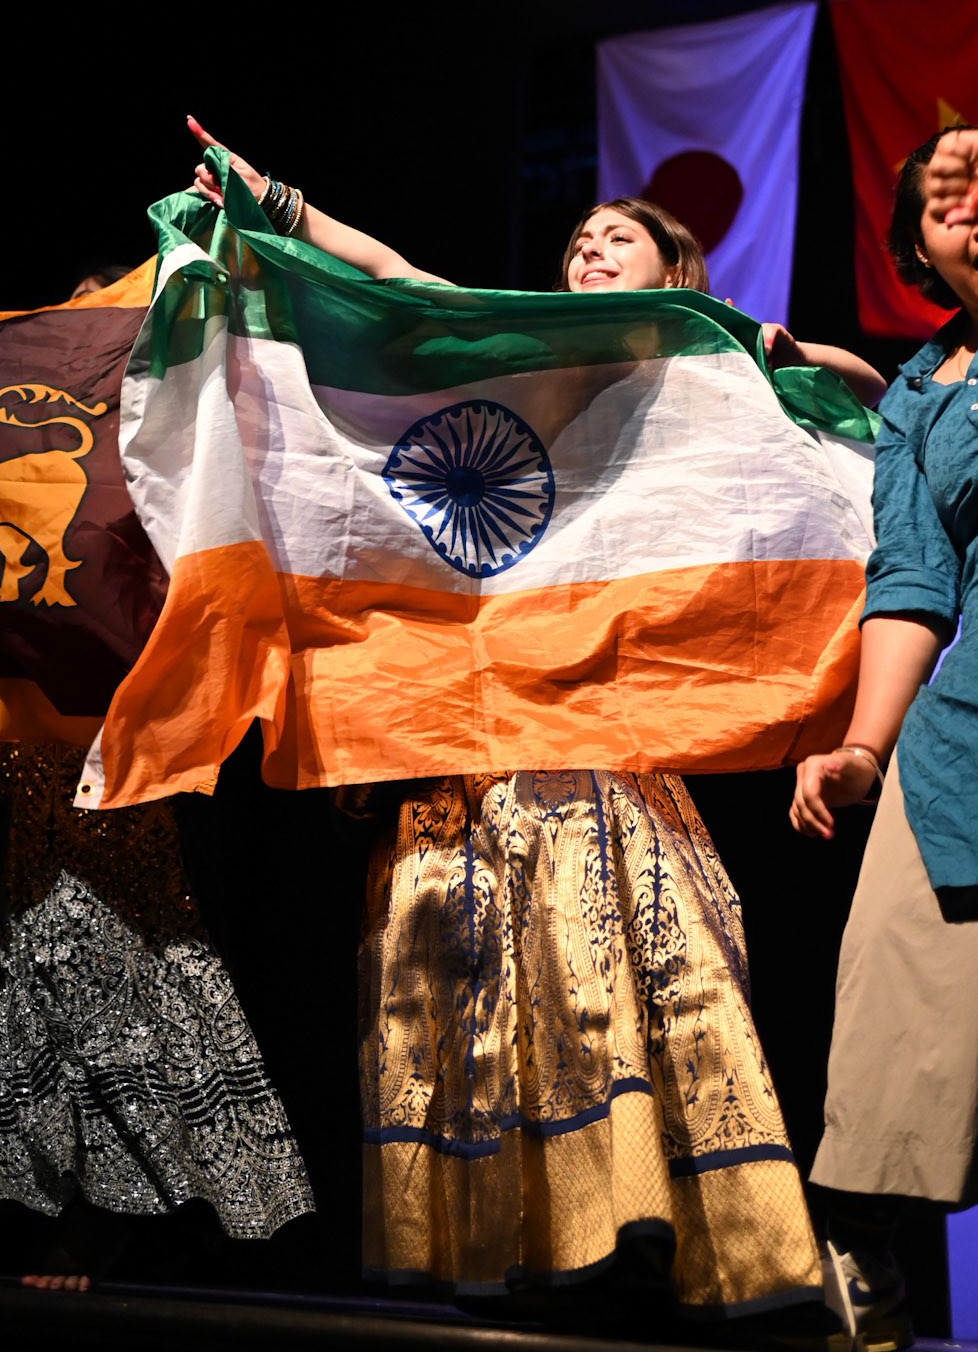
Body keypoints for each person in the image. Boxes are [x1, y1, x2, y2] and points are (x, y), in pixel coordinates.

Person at [185, 118, 884, 1321]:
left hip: (604, 722)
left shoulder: (705, 365)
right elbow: (396, 278)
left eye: (621, 237)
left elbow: (864, 393)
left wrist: (767, 343)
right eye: (580, 237)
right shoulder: (520, 347)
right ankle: (519, 1240)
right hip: (478, 708)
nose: (591, 247)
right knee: (464, 962)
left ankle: (660, 1229)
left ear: (675, 271)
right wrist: (278, 205)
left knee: (620, 957)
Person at [0, 266, 315, 1290]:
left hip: (103, 721)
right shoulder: (0, 409)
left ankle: (106, 1207)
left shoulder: (172, 419)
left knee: (91, 945)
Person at [793, 124, 978, 1352]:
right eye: (944, 196)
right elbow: (913, 576)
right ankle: (864, 1256)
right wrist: (863, 749)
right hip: (963, 734)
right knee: (903, 995)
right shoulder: (924, 391)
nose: (970, 199)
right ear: (917, 246)